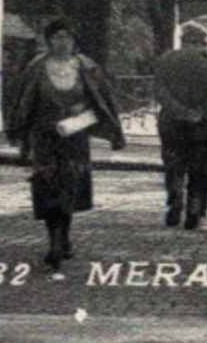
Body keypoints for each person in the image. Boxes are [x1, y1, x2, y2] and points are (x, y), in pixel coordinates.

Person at [7, 19, 126, 271]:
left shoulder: (87, 67)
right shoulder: (36, 68)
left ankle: (63, 238)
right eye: (57, 37)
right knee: (47, 188)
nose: (62, 42)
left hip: (75, 138)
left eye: (67, 37)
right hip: (44, 137)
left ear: (74, 41)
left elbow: (104, 100)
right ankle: (55, 243)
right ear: (48, 40)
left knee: (69, 187)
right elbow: (22, 101)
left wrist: (112, 130)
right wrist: (21, 135)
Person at [154, 23, 207, 231]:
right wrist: (199, 110)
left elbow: (159, 90)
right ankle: (194, 210)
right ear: (202, 41)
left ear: (183, 40)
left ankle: (175, 197)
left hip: (171, 121)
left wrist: (178, 110)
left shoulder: (167, 58)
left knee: (173, 162)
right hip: (202, 123)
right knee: (200, 167)